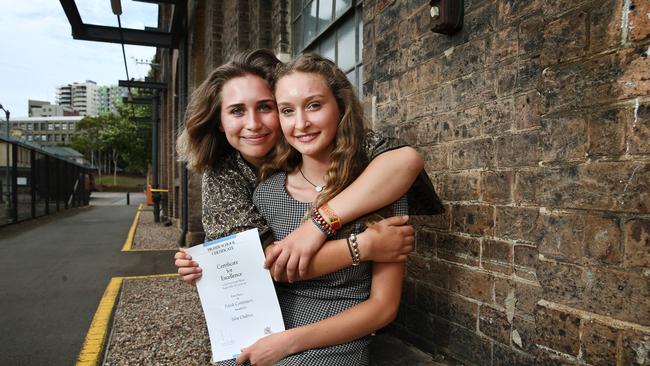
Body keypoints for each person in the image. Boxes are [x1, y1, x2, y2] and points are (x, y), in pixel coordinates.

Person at [175, 49, 441, 285]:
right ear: (219, 121)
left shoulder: (314, 141)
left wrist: (318, 224)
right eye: (236, 111)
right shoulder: (223, 174)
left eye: (266, 107)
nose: (254, 123)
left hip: (342, 297)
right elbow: (260, 264)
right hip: (267, 307)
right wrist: (363, 246)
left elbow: (404, 160)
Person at [235, 53, 409, 366]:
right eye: (287, 111)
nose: (301, 124)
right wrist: (203, 270)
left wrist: (288, 343)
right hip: (271, 322)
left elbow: (384, 308)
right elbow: (260, 274)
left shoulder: (376, 188)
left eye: (314, 105)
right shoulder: (267, 192)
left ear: (340, 106)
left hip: (337, 334)